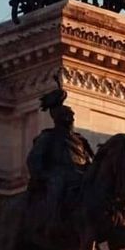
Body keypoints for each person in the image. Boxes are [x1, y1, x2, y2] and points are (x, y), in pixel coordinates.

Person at [26, 84, 93, 231]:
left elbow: (88, 159)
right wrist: (42, 175)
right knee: (58, 184)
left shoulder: (80, 140)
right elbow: (34, 159)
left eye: (72, 117)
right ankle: (52, 218)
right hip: (57, 175)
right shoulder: (48, 137)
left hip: (78, 175)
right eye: (68, 117)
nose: (72, 120)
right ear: (59, 119)